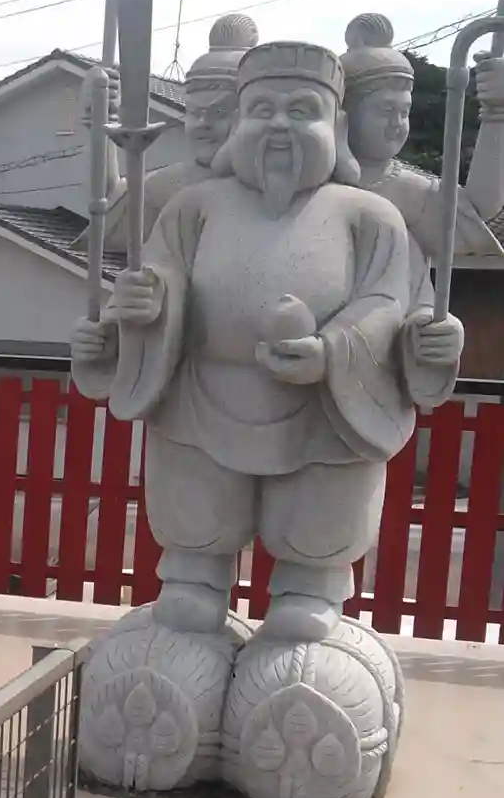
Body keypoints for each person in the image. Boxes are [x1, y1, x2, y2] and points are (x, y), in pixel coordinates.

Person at [72, 39, 431, 647]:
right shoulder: (193, 208)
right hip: (203, 398)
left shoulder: (369, 216)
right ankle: (193, 580)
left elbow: (388, 303)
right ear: (240, 122)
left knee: (316, 520)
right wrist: (135, 312)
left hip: (324, 408)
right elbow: (159, 276)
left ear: (338, 127)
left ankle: (311, 587)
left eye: (302, 110)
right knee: (196, 523)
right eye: (263, 110)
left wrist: (333, 351)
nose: (280, 126)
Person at [340, 13, 480, 401]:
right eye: (385, 111)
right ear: (343, 115)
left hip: (375, 385)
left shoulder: (412, 193)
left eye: (404, 112)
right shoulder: (304, 190)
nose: (397, 124)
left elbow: (419, 296)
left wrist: (438, 331)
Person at [99, 12, 257, 255]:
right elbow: (108, 208)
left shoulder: (276, 187)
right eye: (194, 112)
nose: (203, 124)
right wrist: (101, 118)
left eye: (220, 112)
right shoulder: (167, 185)